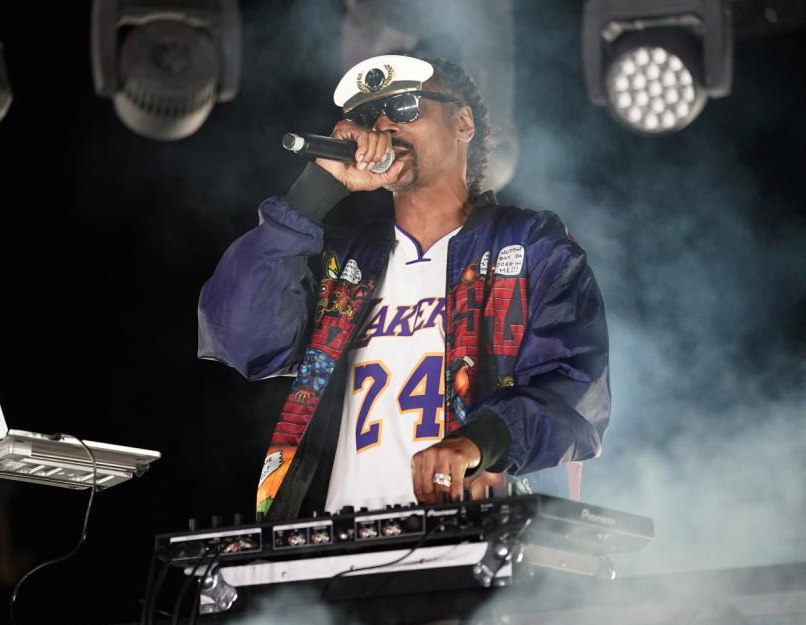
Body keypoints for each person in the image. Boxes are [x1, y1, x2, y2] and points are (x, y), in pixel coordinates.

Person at [198, 54, 609, 521]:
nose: (385, 124)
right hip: (336, 551)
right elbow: (241, 338)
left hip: (478, 542)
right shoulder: (346, 263)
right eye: (369, 115)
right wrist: (314, 190)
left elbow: (575, 385)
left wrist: (476, 442)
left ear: (463, 122)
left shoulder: (530, 243)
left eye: (408, 106)